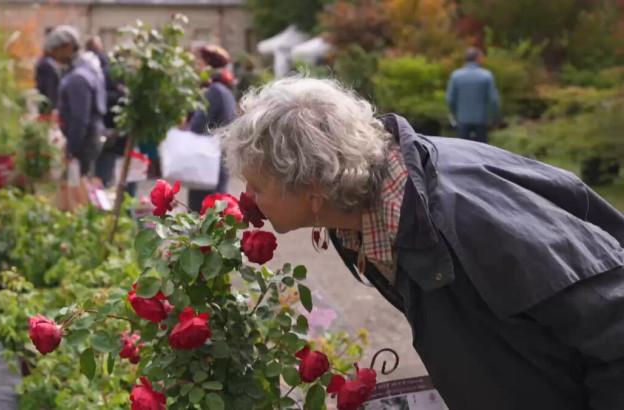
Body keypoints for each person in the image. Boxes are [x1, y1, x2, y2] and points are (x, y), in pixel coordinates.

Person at [220, 77, 624, 410]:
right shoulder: (360, 212)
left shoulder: (469, 221)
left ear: (312, 189)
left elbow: (613, 327)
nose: (248, 197)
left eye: (257, 185)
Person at [187, 44, 237, 212]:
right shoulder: (225, 89)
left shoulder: (213, 91)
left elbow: (196, 127)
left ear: (207, 64)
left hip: (207, 165)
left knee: (200, 217)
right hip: (219, 160)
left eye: (198, 61)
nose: (195, 65)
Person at [55, 26, 107, 177]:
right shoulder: (87, 69)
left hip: (84, 141)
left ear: (67, 47)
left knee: (78, 184)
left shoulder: (78, 77)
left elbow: (79, 118)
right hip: (90, 136)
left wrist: (71, 149)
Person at [85, 35, 125, 187]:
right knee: (105, 167)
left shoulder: (101, 69)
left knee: (100, 166)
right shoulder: (109, 69)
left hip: (101, 124)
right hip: (110, 125)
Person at [446, 47, 500, 143]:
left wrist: (454, 114)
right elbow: (493, 100)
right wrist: (494, 117)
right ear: (478, 58)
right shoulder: (486, 75)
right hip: (481, 120)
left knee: (463, 149)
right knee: (481, 150)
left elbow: (450, 99)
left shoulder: (456, 76)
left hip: (462, 120)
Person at [34, 27, 62, 114]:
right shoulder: (47, 64)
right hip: (48, 107)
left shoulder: (46, 61)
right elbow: (49, 89)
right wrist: (53, 108)